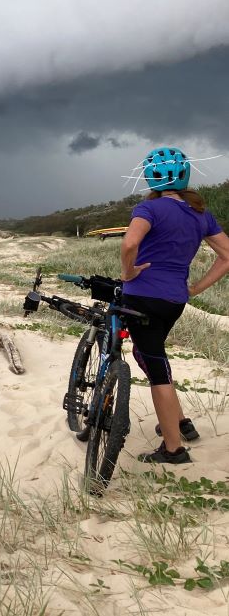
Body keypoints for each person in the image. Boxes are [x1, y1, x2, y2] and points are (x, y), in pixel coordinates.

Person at [121, 147, 229, 464]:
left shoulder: (148, 209)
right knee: (149, 353)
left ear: (150, 177)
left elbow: (130, 243)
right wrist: (195, 288)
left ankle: (173, 449)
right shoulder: (200, 214)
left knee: (157, 371)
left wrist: (128, 271)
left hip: (142, 296)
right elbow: (227, 256)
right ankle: (180, 422)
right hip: (174, 301)